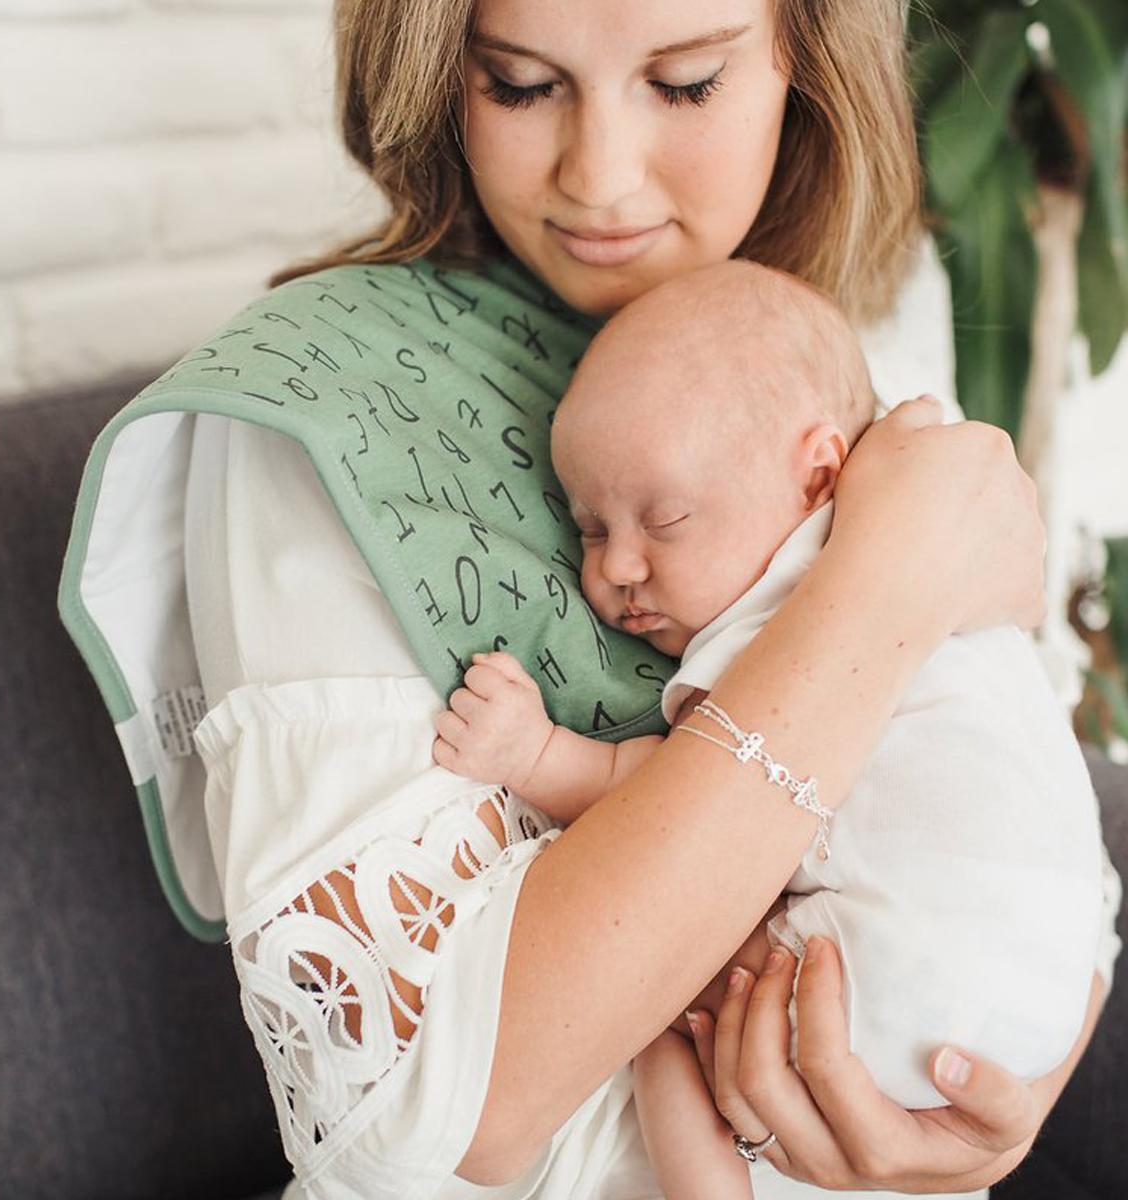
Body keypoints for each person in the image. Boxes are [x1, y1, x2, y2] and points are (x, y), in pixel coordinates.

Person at [57, 1, 1123, 1198]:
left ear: (804, 69)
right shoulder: (317, 428)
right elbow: (418, 1127)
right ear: (439, 74)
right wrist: (880, 593)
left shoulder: (814, 368)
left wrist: (999, 1083)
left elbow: (1020, 826)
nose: (601, 178)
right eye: (519, 84)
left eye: (683, 84)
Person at [431, 259, 1107, 1199]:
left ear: (817, 475)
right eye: (587, 528)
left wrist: (537, 754)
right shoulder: (943, 532)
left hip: (885, 994)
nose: (618, 564)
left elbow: (667, 792)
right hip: (1038, 1003)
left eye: (662, 519)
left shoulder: (789, 601)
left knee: (664, 1006)